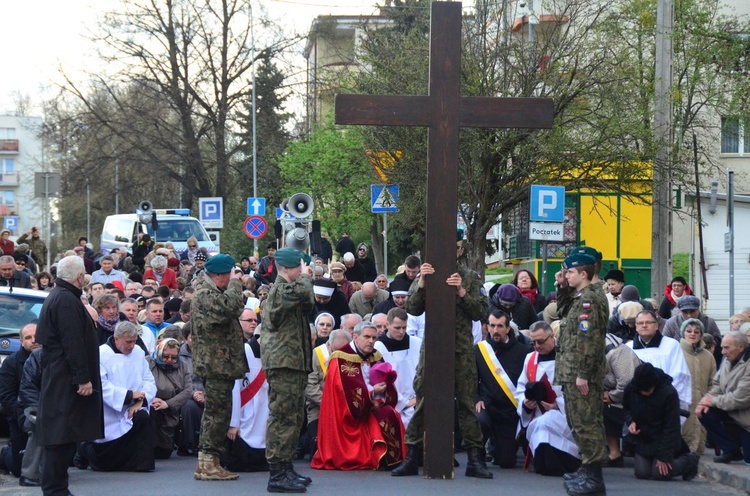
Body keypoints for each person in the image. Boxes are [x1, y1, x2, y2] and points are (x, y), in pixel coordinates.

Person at [393, 230, 492, 479]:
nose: (454, 251)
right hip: (433, 349)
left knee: (467, 404)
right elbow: (413, 309)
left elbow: (481, 311)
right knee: (424, 400)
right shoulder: (426, 273)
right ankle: (411, 456)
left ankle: (474, 459)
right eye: (451, 247)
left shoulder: (469, 277)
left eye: (458, 248)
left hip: (461, 350)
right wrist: (423, 284)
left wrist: (462, 292)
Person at [35, 255, 103, 496]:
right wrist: (83, 378)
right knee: (59, 437)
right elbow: (72, 342)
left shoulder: (61, 296)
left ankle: (57, 488)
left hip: (61, 376)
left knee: (63, 435)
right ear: (79, 277)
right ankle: (55, 490)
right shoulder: (65, 300)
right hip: (64, 379)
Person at [312, 322, 406, 470]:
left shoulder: (375, 355)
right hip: (347, 413)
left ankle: (391, 458)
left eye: (374, 338)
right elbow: (345, 395)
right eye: (367, 337)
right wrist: (373, 393)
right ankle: (377, 456)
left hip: (372, 403)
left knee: (390, 413)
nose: (371, 341)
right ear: (355, 337)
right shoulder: (340, 358)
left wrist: (383, 391)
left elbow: (387, 382)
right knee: (379, 415)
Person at [260, 247, 315, 492]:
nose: (302, 272)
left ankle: (286, 465)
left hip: (293, 362)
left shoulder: (290, 290)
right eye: (298, 268)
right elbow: (304, 290)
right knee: (282, 417)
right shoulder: (281, 290)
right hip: (283, 363)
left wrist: (303, 277)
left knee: (294, 417)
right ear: (286, 268)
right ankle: (277, 473)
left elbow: (308, 299)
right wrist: (305, 276)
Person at [554, 252, 608, 496]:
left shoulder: (590, 300)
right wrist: (562, 286)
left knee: (587, 423)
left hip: (580, 372)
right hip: (572, 370)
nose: (567, 275)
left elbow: (590, 340)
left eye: (570, 272)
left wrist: (583, 373)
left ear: (583, 274)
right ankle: (587, 468)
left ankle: (595, 478)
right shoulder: (581, 296)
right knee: (578, 422)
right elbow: (563, 312)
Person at [191, 253, 248, 481]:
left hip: (220, 363)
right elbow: (232, 308)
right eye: (229, 275)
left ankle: (209, 462)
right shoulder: (206, 294)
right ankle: (207, 463)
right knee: (216, 414)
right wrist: (236, 284)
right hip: (215, 364)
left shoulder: (211, 292)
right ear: (219, 275)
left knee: (220, 412)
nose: (232, 278)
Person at [82, 321, 157, 472]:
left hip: (134, 406)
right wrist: (128, 396)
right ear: (117, 339)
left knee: (143, 417)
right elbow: (101, 385)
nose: (132, 346)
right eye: (128, 342)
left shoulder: (138, 352)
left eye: (135, 341)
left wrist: (140, 401)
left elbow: (149, 380)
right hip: (110, 412)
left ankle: (140, 464)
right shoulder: (102, 354)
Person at [516, 321, 579, 476]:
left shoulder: (567, 357)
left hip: (566, 415)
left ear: (552, 337)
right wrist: (526, 404)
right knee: (543, 424)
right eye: (533, 342)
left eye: (541, 341)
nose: (537, 346)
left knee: (545, 423)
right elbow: (520, 388)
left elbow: (577, 389)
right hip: (537, 414)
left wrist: (558, 405)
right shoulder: (530, 358)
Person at [623, 363, 700, 480]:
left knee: (660, 473)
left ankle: (689, 461)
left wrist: (664, 456)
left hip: (662, 438)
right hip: (643, 438)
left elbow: (671, 427)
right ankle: (652, 462)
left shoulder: (669, 393)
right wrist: (631, 421)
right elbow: (626, 409)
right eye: (641, 391)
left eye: (648, 390)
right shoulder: (631, 388)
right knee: (642, 473)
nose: (645, 393)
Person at [474, 309, 530, 468]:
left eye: (500, 326)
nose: (495, 330)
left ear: (508, 329)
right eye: (492, 326)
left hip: (509, 410)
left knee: (506, 462)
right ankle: (477, 458)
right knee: (480, 420)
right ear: (487, 327)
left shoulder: (523, 352)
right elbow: (470, 380)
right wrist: (476, 399)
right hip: (487, 406)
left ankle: (497, 446)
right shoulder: (479, 350)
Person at [696, 331, 750, 464]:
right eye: (722, 347)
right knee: (704, 412)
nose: (722, 352)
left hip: (746, 418)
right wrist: (705, 401)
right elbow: (717, 384)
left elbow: (740, 399)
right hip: (732, 410)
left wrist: (712, 401)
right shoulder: (728, 359)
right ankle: (731, 450)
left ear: (741, 347)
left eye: (727, 348)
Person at [223, 329, 271, 472]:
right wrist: (233, 423)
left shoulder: (273, 354)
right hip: (245, 411)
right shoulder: (244, 351)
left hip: (265, 410)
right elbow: (235, 388)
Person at [627, 309, 692, 411]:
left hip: (665, 404)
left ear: (656, 325)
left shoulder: (671, 345)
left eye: (648, 322)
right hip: (638, 406)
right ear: (636, 327)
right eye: (640, 323)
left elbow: (679, 375)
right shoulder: (628, 348)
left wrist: (662, 397)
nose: (644, 325)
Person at [0, 324, 39, 479]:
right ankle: (5, 453)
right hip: (20, 418)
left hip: (47, 417)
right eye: (28, 338)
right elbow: (6, 396)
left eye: (36, 336)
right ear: (22, 341)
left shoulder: (52, 359)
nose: (33, 340)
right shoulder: (11, 362)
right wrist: (24, 420)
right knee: (19, 469)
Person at [374, 307, 423, 429]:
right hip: (393, 405)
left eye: (404, 327)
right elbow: (381, 382)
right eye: (397, 328)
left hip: (418, 401)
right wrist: (404, 402)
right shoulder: (378, 348)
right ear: (387, 325)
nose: (401, 332)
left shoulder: (417, 343)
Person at [305, 329, 352, 457]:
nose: (338, 355)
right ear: (328, 345)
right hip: (320, 408)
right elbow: (309, 386)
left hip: (346, 409)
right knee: (320, 448)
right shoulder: (316, 354)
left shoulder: (353, 356)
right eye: (335, 351)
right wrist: (330, 403)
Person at [147, 337, 193, 459]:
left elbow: (188, 390)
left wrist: (168, 404)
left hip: (170, 408)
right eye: (165, 356)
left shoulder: (182, 366)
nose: (169, 360)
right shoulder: (148, 362)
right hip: (152, 403)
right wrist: (151, 399)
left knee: (163, 453)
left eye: (173, 358)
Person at [601, 332, 639, 467]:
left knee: (603, 409)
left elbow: (627, 383)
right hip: (611, 392)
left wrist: (611, 396)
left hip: (631, 399)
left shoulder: (617, 352)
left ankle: (614, 453)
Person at [679, 319, 716, 456]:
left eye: (696, 331)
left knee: (699, 438)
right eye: (688, 331)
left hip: (702, 403)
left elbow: (713, 382)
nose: (692, 334)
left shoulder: (708, 356)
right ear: (683, 333)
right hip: (682, 403)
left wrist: (709, 399)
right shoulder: (676, 351)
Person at [662, 295, 723, 365]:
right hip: (678, 362)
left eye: (692, 312)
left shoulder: (709, 322)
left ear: (698, 310)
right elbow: (665, 344)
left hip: (704, 362)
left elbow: (718, 344)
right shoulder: (671, 323)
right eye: (685, 312)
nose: (689, 315)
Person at [178, 324, 204, 457]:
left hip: (207, 391)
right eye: (192, 337)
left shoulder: (208, 353)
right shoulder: (179, 355)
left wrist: (205, 394)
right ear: (186, 339)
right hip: (187, 391)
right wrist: (193, 393)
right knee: (189, 407)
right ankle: (192, 443)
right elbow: (178, 379)